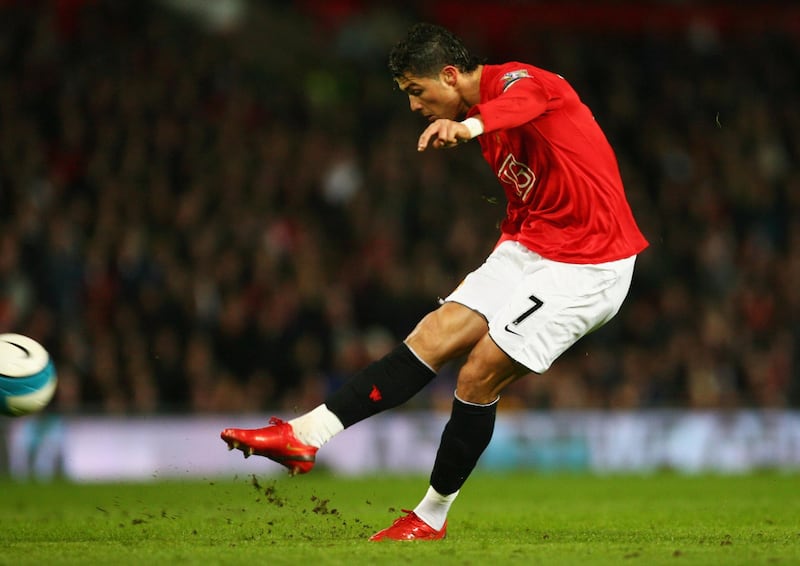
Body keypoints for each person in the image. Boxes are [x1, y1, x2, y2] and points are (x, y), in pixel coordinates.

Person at [221, 22, 648, 541]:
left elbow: (521, 104)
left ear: (449, 76)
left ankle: (430, 516)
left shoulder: (522, 81)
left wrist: (470, 129)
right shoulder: (484, 126)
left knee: (477, 373)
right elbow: (527, 197)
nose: (413, 106)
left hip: (590, 263)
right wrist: (501, 257)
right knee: (434, 334)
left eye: (416, 91)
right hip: (530, 247)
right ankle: (304, 434)